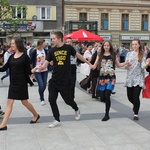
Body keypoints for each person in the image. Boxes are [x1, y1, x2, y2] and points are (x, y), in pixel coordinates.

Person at [37, 31, 90, 128]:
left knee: (68, 100)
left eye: (53, 38)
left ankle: (76, 109)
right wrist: (41, 67)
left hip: (65, 80)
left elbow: (78, 56)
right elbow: (46, 62)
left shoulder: (68, 48)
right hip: (54, 80)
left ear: (59, 38)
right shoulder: (51, 50)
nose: (52, 40)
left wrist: (88, 63)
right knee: (51, 100)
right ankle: (56, 119)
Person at [0, 37, 40, 131]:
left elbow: (28, 72)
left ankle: (36, 115)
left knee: (24, 102)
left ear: (18, 44)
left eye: (13, 43)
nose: (11, 45)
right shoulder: (11, 56)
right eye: (11, 44)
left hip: (21, 83)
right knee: (9, 102)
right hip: (13, 83)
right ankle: (3, 124)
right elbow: (4, 68)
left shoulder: (25, 57)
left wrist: (34, 70)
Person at [90, 40, 127, 121]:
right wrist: (89, 64)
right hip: (102, 77)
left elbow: (118, 65)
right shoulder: (99, 55)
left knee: (107, 95)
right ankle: (106, 112)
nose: (106, 47)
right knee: (102, 96)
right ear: (103, 47)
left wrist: (126, 63)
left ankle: (107, 114)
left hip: (111, 77)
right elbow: (95, 65)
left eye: (108, 45)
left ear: (110, 46)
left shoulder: (113, 55)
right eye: (105, 45)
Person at [124, 39, 149, 120]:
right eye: (133, 44)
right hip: (130, 78)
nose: (134, 46)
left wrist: (146, 64)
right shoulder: (129, 54)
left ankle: (136, 113)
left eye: (135, 44)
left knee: (135, 96)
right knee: (129, 97)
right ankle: (136, 105)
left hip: (138, 78)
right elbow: (126, 66)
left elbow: (142, 67)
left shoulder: (142, 55)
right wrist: (127, 65)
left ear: (139, 45)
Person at [30, 39, 48, 106]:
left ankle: (41, 93)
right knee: (41, 84)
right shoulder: (34, 51)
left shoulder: (45, 51)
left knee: (44, 84)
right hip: (37, 70)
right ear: (41, 44)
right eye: (44, 43)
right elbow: (31, 61)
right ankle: (42, 98)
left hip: (44, 69)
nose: (45, 44)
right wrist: (32, 71)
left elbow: (48, 59)